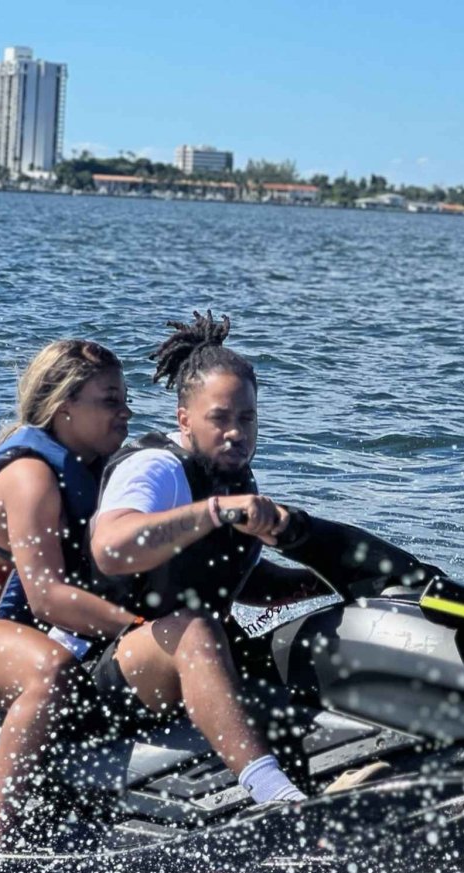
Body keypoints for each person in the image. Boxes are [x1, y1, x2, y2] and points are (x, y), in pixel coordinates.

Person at [0, 339, 145, 848]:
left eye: (126, 399)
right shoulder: (30, 475)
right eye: (109, 401)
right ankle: (1, 839)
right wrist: (133, 627)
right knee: (50, 672)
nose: (126, 412)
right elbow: (48, 598)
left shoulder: (99, 469)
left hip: (9, 633)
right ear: (65, 409)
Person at [90, 311, 330, 806]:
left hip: (176, 660)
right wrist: (216, 511)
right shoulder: (155, 468)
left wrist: (329, 583)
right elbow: (111, 547)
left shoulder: (233, 476)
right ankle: (270, 792)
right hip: (108, 668)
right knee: (198, 629)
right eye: (219, 418)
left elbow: (230, 575)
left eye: (247, 419)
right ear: (185, 419)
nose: (236, 433)